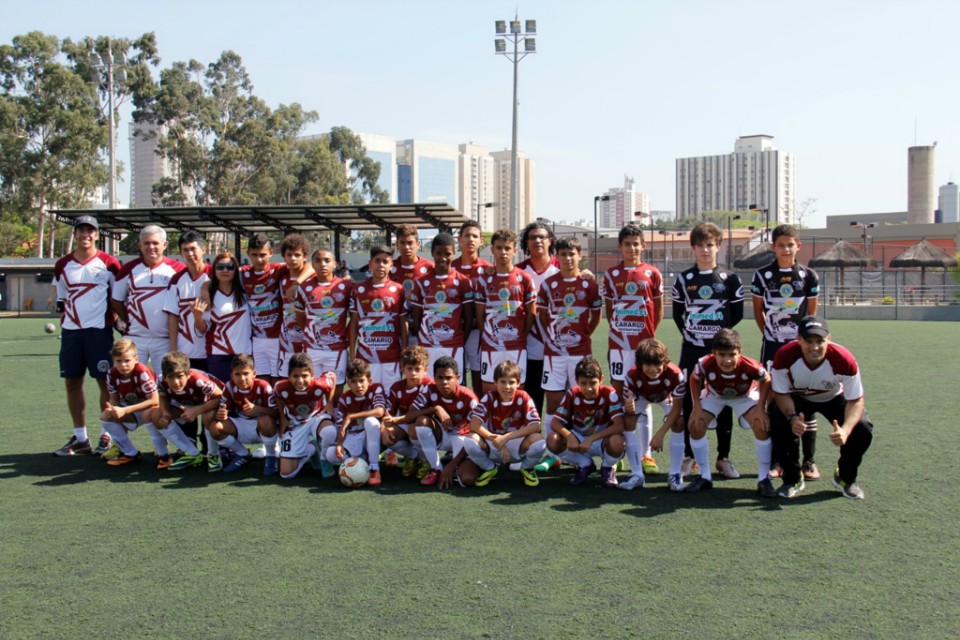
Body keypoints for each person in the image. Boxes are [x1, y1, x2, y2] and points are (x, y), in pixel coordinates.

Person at [769, 316, 873, 500]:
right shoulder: (784, 356)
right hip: (797, 397)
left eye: (820, 341)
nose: (814, 347)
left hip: (832, 397)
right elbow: (781, 394)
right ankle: (792, 479)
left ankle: (845, 478)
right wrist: (792, 417)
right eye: (808, 341)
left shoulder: (844, 359)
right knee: (777, 419)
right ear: (799, 339)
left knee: (862, 429)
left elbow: (856, 400)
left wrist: (846, 431)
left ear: (829, 339)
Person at [671, 222, 744, 480]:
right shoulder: (684, 279)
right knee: (691, 403)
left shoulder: (730, 279)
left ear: (719, 246)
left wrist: (718, 341)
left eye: (710, 244)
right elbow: (677, 315)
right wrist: (695, 336)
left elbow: (737, 314)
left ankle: (723, 458)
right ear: (693, 247)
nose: (705, 249)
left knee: (724, 400)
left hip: (720, 355)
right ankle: (690, 456)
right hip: (691, 351)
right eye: (700, 245)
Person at [751, 224, 821, 480]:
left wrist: (803, 342)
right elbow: (758, 312)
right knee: (774, 402)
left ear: (797, 247)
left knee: (807, 400)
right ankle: (777, 461)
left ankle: (809, 461)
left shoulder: (808, 276)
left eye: (790, 244)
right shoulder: (762, 276)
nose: (786, 249)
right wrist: (772, 335)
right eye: (781, 245)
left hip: (801, 349)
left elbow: (811, 315)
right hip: (772, 347)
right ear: (773, 247)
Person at [53, 215, 121, 457]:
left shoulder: (110, 263)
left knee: (105, 383)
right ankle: (81, 438)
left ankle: (108, 434)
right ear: (75, 234)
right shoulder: (62, 265)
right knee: (72, 383)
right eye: (81, 230)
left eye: (90, 231)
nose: (85, 235)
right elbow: (61, 298)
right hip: (71, 333)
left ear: (96, 234)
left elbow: (118, 298)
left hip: (99, 333)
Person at [602, 223, 664, 477]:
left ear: (643, 246)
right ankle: (618, 453)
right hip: (618, 345)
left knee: (644, 399)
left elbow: (658, 311)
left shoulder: (652, 273)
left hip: (642, 347)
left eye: (636, 243)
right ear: (620, 246)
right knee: (618, 397)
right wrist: (621, 332)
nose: (632, 248)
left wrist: (647, 338)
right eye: (627, 244)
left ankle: (646, 453)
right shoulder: (611, 274)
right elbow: (609, 311)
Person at [536, 236, 602, 473]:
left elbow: (596, 317)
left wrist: (584, 334)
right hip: (554, 354)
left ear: (580, 255)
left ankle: (585, 447)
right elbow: (542, 317)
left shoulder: (589, 284)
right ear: (557, 257)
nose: (567, 258)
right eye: (563, 254)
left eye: (571, 254)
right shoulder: (548, 284)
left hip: (580, 352)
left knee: (584, 400)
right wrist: (553, 339)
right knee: (553, 401)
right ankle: (552, 453)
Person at [684, 328, 773, 495]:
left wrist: (761, 408)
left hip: (744, 396)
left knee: (762, 425)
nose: (727, 360)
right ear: (714, 353)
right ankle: (705, 476)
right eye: (722, 355)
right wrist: (696, 407)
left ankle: (764, 479)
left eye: (732, 354)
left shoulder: (750, 365)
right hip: (715, 395)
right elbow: (695, 379)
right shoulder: (704, 363)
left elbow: (766, 379)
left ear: (740, 352)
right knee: (696, 425)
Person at [391, 356, 480, 488]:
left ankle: (457, 464)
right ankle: (436, 468)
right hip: (442, 434)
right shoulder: (429, 389)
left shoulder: (469, 398)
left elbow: (475, 437)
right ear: (434, 378)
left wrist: (452, 465)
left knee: (467, 480)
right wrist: (435, 408)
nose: (444, 382)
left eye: (448, 378)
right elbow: (410, 415)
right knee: (421, 421)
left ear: (458, 378)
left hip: (463, 440)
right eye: (440, 378)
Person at [111, 225, 185, 373]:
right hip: (135, 338)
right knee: (128, 381)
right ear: (140, 245)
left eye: (155, 243)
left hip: (166, 339)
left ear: (164, 245)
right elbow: (116, 300)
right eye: (146, 243)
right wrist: (129, 321)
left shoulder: (179, 269)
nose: (151, 247)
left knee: (167, 383)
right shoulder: (127, 269)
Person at [474, 228, 537, 395]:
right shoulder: (484, 279)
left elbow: (532, 313)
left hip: (516, 345)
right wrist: (486, 334)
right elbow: (479, 314)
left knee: (517, 390)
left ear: (515, 250)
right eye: (499, 247)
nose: (503, 252)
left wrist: (522, 334)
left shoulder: (524, 278)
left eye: (507, 248)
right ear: (492, 249)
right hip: (491, 345)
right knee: (489, 389)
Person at [465, 360, 546, 487]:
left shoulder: (523, 397)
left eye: (511, 382)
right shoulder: (490, 397)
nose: (507, 387)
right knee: (469, 440)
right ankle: (489, 468)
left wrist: (506, 437)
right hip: (493, 442)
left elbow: (536, 426)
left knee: (539, 442)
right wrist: (499, 440)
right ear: (495, 382)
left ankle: (527, 467)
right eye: (503, 382)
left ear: (518, 383)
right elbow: (474, 425)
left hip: (517, 443)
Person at [547, 356, 626, 487]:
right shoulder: (572, 393)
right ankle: (585, 464)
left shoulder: (609, 393)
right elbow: (555, 423)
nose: (588, 388)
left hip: (602, 440)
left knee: (618, 442)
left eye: (593, 383)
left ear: (601, 380)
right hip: (579, 439)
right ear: (577, 381)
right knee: (552, 439)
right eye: (584, 383)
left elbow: (619, 426)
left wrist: (592, 439)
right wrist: (570, 436)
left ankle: (608, 467)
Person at [408, 232, 474, 379]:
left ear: (454, 253)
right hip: (427, 346)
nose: (443, 258)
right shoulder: (420, 282)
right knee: (428, 387)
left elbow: (469, 318)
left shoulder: (463, 282)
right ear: (432, 253)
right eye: (438, 253)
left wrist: (461, 340)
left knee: (452, 387)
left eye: (447, 253)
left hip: (454, 345)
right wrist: (424, 339)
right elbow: (417, 318)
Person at [622, 338, 685, 490]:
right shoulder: (631, 376)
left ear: (664, 362)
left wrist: (660, 434)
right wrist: (629, 407)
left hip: (665, 396)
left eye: (657, 364)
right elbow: (630, 407)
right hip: (642, 396)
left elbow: (677, 409)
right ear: (640, 364)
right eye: (648, 364)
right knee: (628, 420)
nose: (653, 369)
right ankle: (637, 474)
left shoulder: (675, 374)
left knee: (680, 421)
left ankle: (675, 473)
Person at [295, 247, 353, 400]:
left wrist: (343, 335)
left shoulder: (346, 287)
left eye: (327, 260)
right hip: (312, 347)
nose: (323, 264)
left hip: (337, 348)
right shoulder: (304, 288)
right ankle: (315, 417)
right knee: (310, 384)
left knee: (337, 385)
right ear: (312, 264)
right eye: (318, 261)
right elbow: (300, 318)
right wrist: (311, 334)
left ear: (335, 264)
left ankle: (332, 416)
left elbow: (353, 318)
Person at [516, 221, 560, 420]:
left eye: (542, 237)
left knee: (558, 402)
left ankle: (558, 444)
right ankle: (531, 442)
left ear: (550, 241)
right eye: (532, 237)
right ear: (526, 242)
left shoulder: (564, 268)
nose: (537, 241)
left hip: (559, 348)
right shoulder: (517, 271)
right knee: (531, 401)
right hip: (530, 347)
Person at [320, 358, 387, 487]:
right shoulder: (345, 398)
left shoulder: (376, 389)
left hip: (372, 435)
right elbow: (341, 426)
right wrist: (339, 444)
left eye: (361, 380)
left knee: (371, 421)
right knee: (330, 454)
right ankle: (362, 460)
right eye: (354, 382)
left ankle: (374, 468)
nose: (358, 385)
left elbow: (379, 411)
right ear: (348, 384)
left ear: (369, 381)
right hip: (354, 436)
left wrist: (351, 417)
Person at [209, 354, 280, 475]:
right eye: (238, 374)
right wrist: (221, 415)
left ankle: (271, 456)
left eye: (246, 373)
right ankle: (242, 454)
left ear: (254, 373)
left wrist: (258, 409)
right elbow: (224, 410)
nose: (242, 378)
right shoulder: (230, 386)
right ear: (232, 375)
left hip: (262, 427)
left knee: (266, 420)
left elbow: (277, 413)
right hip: (241, 424)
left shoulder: (263, 386)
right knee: (215, 427)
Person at [155, 351, 226, 472]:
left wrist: (196, 410)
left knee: (208, 416)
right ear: (165, 376)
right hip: (187, 403)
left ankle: (213, 454)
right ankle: (192, 453)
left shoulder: (199, 380)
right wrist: (166, 413)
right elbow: (163, 396)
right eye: (170, 376)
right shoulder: (161, 380)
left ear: (188, 374)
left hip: (211, 403)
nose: (176, 382)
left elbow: (221, 397)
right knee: (156, 415)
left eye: (179, 376)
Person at [349, 244, 407, 391]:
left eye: (385, 262)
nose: (381, 265)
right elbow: (354, 324)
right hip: (366, 357)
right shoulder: (358, 289)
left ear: (391, 265)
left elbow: (402, 323)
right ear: (370, 264)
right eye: (377, 261)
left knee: (391, 397)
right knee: (368, 397)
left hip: (392, 356)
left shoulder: (398, 289)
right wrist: (352, 355)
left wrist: (404, 353)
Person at [273, 353, 337, 480]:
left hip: (316, 417)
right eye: (295, 376)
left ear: (312, 375)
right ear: (289, 377)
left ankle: (324, 460)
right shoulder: (281, 387)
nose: (300, 380)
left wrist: (330, 403)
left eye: (304, 376)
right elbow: (277, 395)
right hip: (295, 424)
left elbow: (333, 376)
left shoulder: (321, 384)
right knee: (286, 474)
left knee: (329, 432)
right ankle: (312, 450)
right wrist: (283, 418)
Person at [98, 339, 160, 467]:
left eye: (127, 361)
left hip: (152, 409)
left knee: (150, 413)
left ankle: (161, 447)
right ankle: (129, 452)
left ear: (136, 359)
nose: (123, 365)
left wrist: (125, 410)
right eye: (118, 361)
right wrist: (115, 409)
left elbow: (155, 400)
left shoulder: (142, 372)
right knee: (106, 416)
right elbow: (114, 398)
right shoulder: (111, 374)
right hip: (132, 409)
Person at [194, 252, 252, 386]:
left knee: (243, 394)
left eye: (230, 267)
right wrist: (197, 317)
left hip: (244, 354)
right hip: (218, 355)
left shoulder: (245, 290)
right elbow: (203, 329)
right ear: (214, 270)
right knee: (221, 396)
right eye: (220, 267)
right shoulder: (208, 295)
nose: (225, 270)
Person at [451, 220, 492, 395]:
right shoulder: (450, 267)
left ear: (481, 241)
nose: (470, 239)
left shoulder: (489, 269)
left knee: (478, 376)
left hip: (477, 331)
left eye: (475, 236)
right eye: (467, 235)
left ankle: (479, 415)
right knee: (453, 375)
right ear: (459, 239)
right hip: (453, 331)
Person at [381, 346, 432, 481]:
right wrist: (384, 428)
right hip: (405, 423)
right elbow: (388, 414)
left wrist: (396, 421)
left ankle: (426, 460)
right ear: (403, 369)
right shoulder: (396, 387)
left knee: (415, 427)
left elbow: (419, 414)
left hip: (429, 426)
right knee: (388, 435)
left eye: (417, 369)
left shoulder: (429, 385)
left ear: (425, 371)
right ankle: (414, 457)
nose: (413, 373)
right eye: (409, 369)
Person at [164, 231, 212, 371]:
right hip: (186, 351)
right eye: (185, 250)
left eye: (193, 249)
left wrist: (205, 288)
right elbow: (173, 315)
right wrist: (173, 350)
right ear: (180, 253)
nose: (190, 254)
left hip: (213, 350)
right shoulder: (176, 280)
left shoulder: (216, 275)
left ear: (203, 249)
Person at [276, 234, 315, 382]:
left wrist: (297, 283)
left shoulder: (311, 278)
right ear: (283, 257)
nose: (293, 258)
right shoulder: (282, 278)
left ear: (305, 256)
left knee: (306, 378)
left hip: (307, 337)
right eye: (289, 255)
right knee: (285, 378)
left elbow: (311, 266)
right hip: (286, 338)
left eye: (297, 255)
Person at [389, 224, 433, 345]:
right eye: (402, 243)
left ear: (418, 244)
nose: (406, 247)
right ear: (397, 245)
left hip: (422, 327)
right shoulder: (389, 267)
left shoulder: (429, 267)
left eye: (410, 243)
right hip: (395, 327)